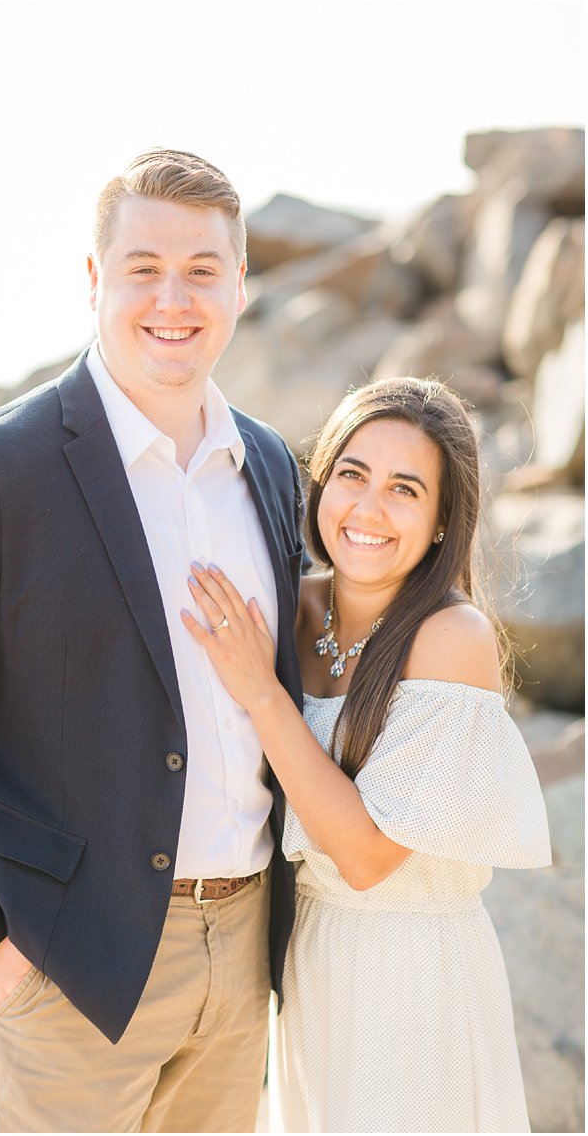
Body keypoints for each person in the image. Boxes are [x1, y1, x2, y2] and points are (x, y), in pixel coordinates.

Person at [0, 149, 306, 1132]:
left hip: (241, 954)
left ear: (238, 283)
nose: (171, 296)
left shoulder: (266, 464)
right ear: (93, 280)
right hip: (64, 964)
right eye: (142, 266)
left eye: (200, 269)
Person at [179, 376, 551, 1132]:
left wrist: (262, 691)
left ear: (445, 518)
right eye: (352, 474)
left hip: (415, 975)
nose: (368, 509)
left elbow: (365, 854)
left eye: (405, 489)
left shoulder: (453, 638)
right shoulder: (292, 606)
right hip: (308, 956)